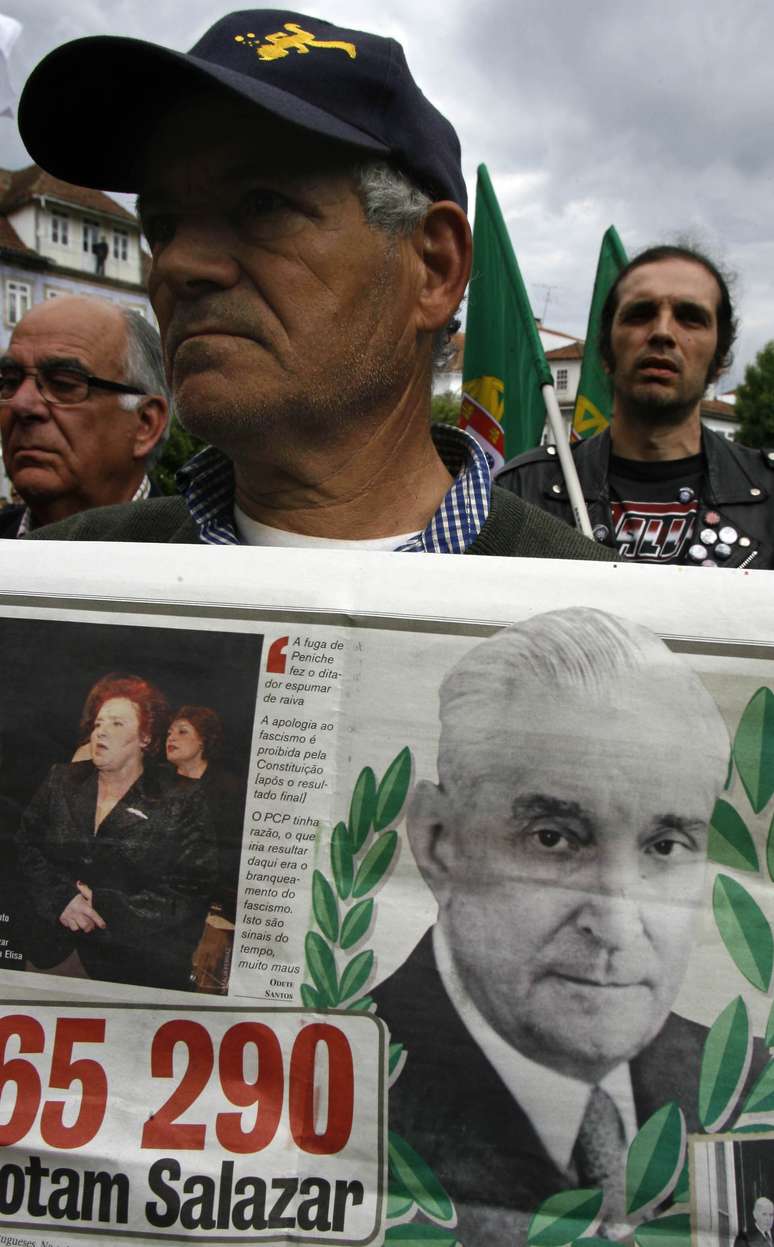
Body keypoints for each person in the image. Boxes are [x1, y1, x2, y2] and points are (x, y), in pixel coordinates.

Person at [17, 11, 612, 563]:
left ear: (433, 269)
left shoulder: (614, 619)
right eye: (163, 227)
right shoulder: (54, 580)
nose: (177, 266)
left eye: (261, 206)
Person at [374, 607, 761, 1244]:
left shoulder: (751, 1081)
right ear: (439, 842)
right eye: (553, 839)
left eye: (665, 847)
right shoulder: (324, 1087)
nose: (616, 922)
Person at [496, 246, 774, 568]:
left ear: (721, 356)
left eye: (690, 318)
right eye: (640, 314)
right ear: (605, 349)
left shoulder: (768, 495)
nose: (662, 332)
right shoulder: (521, 492)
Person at [15, 673, 216, 991]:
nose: (101, 732)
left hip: (126, 966)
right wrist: (62, 899)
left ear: (146, 737)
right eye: (98, 724)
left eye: (117, 724)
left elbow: (190, 892)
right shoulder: (61, 780)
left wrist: (106, 907)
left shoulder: (181, 799)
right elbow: (25, 847)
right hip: (51, 952)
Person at [0, 296, 170, 536]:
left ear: (146, 424)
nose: (21, 403)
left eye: (63, 384)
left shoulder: (200, 559)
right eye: (9, 382)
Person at [166, 705, 243, 922]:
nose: (171, 738)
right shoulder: (158, 783)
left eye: (182, 731)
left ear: (203, 740)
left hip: (212, 897)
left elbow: (228, 850)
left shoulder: (226, 788)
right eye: (169, 733)